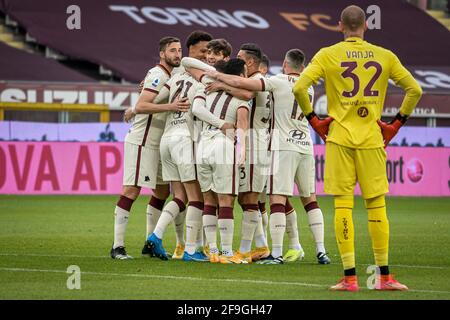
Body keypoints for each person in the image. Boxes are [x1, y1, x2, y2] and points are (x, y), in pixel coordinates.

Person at [292, 5, 422, 291]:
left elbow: (300, 88)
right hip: (373, 138)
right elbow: (415, 89)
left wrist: (315, 120)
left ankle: (350, 278)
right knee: (376, 205)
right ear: (366, 26)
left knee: (343, 206)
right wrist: (396, 123)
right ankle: (384, 278)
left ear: (340, 26)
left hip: (339, 138)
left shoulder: (327, 55)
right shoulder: (385, 56)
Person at [205, 49, 331, 265]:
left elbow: (248, 92)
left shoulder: (276, 81)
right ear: (303, 66)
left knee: (273, 200)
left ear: (284, 63)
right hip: (305, 145)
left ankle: (274, 252)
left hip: (279, 146)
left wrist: (218, 77)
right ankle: (319, 250)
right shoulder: (308, 86)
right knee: (309, 199)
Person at [110, 36, 189, 259]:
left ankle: (150, 244)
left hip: (161, 143)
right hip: (143, 141)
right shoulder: (157, 74)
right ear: (162, 54)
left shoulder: (173, 75)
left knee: (162, 192)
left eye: (179, 50)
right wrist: (172, 106)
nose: (177, 54)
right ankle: (117, 246)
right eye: (172, 50)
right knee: (131, 190)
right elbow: (142, 105)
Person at [193, 58, 250, 263]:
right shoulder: (241, 97)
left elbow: (197, 110)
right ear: (240, 75)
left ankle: (214, 251)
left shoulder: (208, 91)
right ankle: (227, 252)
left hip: (202, 146)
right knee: (226, 200)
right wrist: (242, 150)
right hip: (222, 146)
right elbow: (242, 124)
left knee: (209, 199)